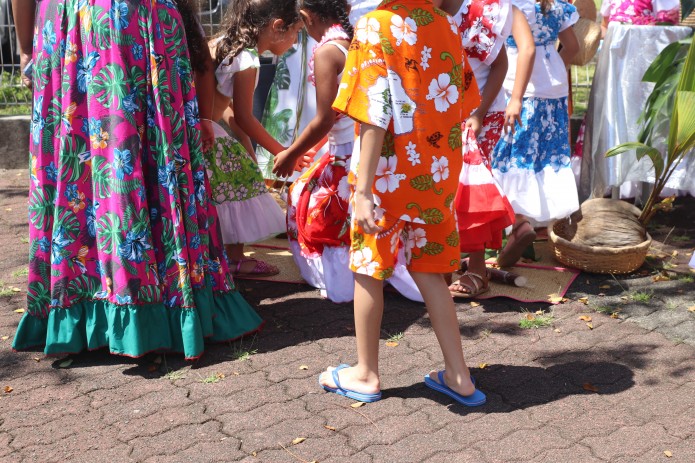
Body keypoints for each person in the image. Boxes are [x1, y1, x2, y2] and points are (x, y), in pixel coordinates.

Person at [11, 0, 263, 360]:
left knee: (84, 158)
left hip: (73, 24)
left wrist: (24, 48)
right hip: (146, 20)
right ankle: (168, 303)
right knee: (140, 155)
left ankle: (89, 307)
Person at [318, 0, 487, 406]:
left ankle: (365, 373)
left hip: (386, 174)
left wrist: (360, 193)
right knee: (430, 271)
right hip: (435, 174)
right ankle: (460, 376)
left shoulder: (375, 25)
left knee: (369, 268)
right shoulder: (445, 26)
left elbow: (374, 113)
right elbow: (462, 102)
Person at [272, 0, 422, 303]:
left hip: (345, 155)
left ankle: (343, 281)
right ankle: (381, 269)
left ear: (309, 16)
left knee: (308, 201)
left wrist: (290, 153)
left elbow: (325, 118)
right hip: (365, 148)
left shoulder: (328, 52)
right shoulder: (350, 42)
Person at [441, 0, 536, 297]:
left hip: (480, 113)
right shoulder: (425, 12)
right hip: (442, 110)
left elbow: (503, 62)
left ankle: (478, 270)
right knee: (446, 188)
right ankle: (445, 258)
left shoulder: (481, 13)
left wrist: (480, 113)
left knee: (472, 190)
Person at [206, 0, 304, 278]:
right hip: (209, 133)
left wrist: (247, 151)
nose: (296, 41)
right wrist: (282, 151)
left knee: (222, 190)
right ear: (277, 27)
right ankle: (236, 259)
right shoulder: (247, 60)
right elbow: (246, 118)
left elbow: (227, 109)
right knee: (240, 188)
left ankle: (221, 254)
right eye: (295, 32)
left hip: (202, 128)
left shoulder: (222, 43)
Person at [491, 0, 580, 267]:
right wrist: (550, 68)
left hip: (519, 85)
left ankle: (518, 222)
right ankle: (527, 226)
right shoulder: (556, 5)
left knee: (513, 153)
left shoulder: (514, 6)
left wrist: (516, 96)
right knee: (543, 154)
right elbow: (573, 47)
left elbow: (522, 49)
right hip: (552, 88)